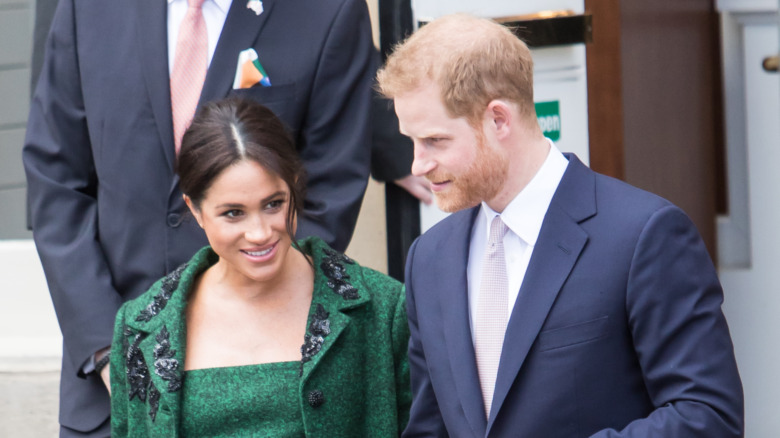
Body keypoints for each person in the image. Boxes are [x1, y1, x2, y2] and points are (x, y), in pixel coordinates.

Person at [377, 13, 743, 437]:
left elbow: (708, 417)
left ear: (498, 119)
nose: (418, 164)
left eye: (435, 141)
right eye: (412, 141)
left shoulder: (644, 235)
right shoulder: (429, 257)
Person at [22, 0, 375, 435]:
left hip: (263, 391)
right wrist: (107, 351)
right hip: (107, 393)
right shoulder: (87, 7)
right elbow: (54, 180)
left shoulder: (330, 11)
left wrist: (244, 342)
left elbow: (328, 191)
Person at [108, 97, 410, 436]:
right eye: (233, 213)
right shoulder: (139, 327)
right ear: (195, 209)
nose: (260, 233)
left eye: (274, 204)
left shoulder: (383, 310)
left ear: (294, 185)